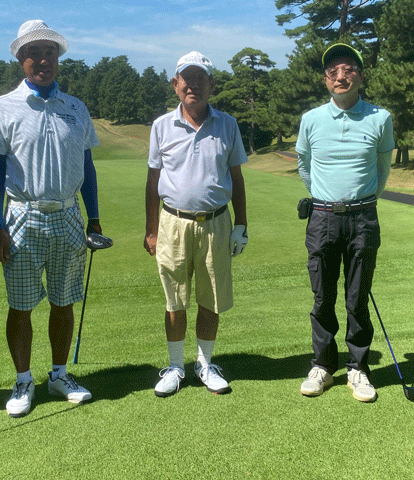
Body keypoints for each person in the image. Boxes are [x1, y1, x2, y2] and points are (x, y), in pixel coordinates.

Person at [0, 20, 102, 417]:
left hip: (69, 215)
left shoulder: (75, 107)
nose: (44, 60)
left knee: (64, 302)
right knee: (21, 305)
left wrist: (94, 218)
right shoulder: (2, 108)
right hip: (21, 216)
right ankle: (23, 380)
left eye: (50, 52)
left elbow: (87, 167)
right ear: (21, 59)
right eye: (34, 53)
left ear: (58, 59)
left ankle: (59, 375)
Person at [144, 51, 249, 397]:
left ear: (211, 84)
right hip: (172, 223)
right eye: (186, 79)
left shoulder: (227, 124)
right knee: (175, 299)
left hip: (217, 222)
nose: (193, 85)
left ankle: (204, 364)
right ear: (175, 84)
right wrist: (151, 229)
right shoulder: (161, 126)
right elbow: (153, 180)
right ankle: (176, 366)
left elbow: (236, 177)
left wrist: (241, 224)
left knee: (211, 297)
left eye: (200, 78)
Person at [297, 43, 395, 402]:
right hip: (322, 217)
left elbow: (383, 167)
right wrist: (326, 199)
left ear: (361, 76)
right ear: (326, 80)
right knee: (323, 296)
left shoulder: (380, 118)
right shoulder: (311, 119)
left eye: (348, 69)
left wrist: (361, 202)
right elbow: (305, 165)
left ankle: (358, 368)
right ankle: (323, 365)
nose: (341, 76)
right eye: (333, 71)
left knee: (357, 299)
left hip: (363, 218)